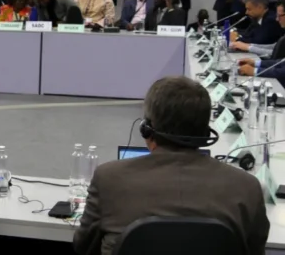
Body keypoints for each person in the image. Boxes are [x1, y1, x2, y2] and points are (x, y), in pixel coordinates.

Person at [73, 76, 269, 255]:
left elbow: (84, 246)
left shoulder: (108, 179)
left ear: (146, 129)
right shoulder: (247, 188)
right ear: (205, 132)